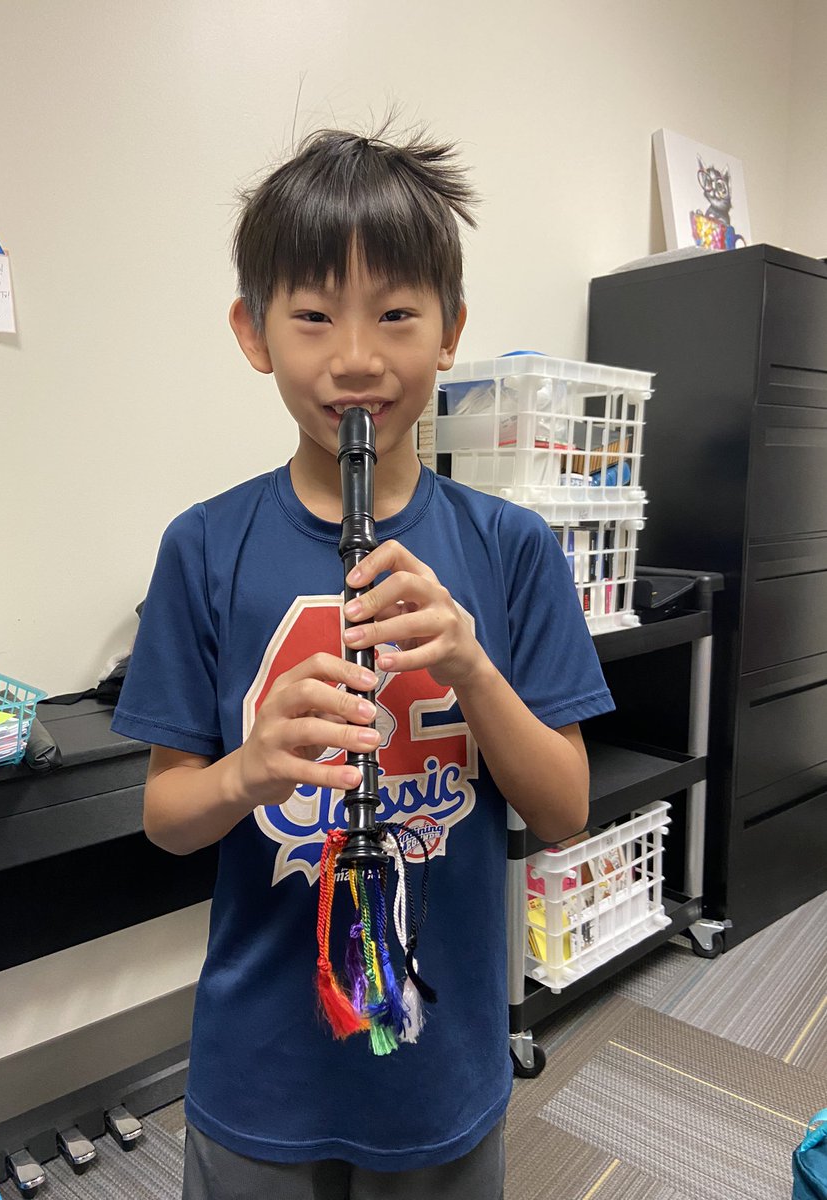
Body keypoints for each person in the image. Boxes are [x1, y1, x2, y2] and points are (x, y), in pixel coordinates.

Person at [112, 123, 614, 1200]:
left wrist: (474, 671)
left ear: (451, 332)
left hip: (439, 1066)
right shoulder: (202, 546)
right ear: (254, 333)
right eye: (311, 316)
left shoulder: (512, 550)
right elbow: (166, 818)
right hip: (260, 1071)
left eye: (395, 314)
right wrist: (250, 770)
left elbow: (567, 809)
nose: (354, 357)